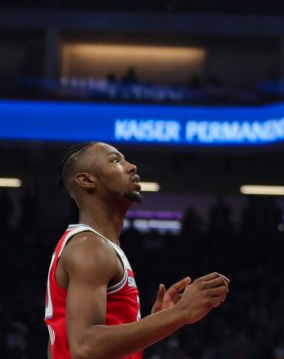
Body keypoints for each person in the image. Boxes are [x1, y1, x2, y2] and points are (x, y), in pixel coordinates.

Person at [45, 142, 229, 359]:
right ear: (87, 180)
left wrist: (157, 321)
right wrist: (180, 313)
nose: (131, 166)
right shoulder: (90, 247)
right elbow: (85, 347)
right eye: (115, 160)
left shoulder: (94, 245)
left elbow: (58, 347)